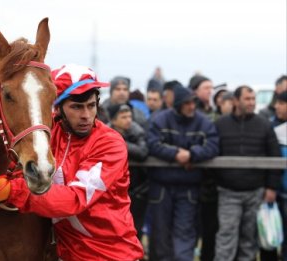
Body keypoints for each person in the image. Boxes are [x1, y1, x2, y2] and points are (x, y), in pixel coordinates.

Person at [0, 64, 144, 260]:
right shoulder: (50, 131)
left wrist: (13, 190)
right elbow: (1, 99)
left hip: (112, 254)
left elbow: (75, 199)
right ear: (58, 108)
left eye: (91, 106)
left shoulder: (110, 144)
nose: (85, 115)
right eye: (76, 107)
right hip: (67, 253)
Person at [147, 83, 219, 261]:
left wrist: (192, 155)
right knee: (160, 234)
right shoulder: (160, 120)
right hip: (161, 187)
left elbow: (212, 146)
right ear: (178, 104)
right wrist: (176, 154)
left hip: (188, 187)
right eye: (187, 103)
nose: (192, 106)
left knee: (185, 233)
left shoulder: (203, 122)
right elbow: (152, 144)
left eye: (193, 102)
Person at [214, 86, 282, 261]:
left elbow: (274, 157)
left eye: (253, 98)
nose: (252, 102)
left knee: (249, 239)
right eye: (247, 99)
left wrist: (271, 187)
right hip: (228, 191)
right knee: (226, 237)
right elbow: (212, 152)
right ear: (236, 101)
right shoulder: (221, 124)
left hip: (255, 191)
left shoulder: (264, 125)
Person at [107, 103, 149, 240]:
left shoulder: (137, 132)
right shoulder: (104, 133)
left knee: (135, 227)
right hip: (112, 189)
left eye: (129, 116)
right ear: (113, 120)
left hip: (137, 188)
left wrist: (119, 143)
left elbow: (142, 152)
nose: (128, 119)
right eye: (123, 116)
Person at [270, 90, 287, 261]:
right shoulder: (272, 129)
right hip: (277, 193)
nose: (277, 107)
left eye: (282, 103)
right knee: (272, 236)